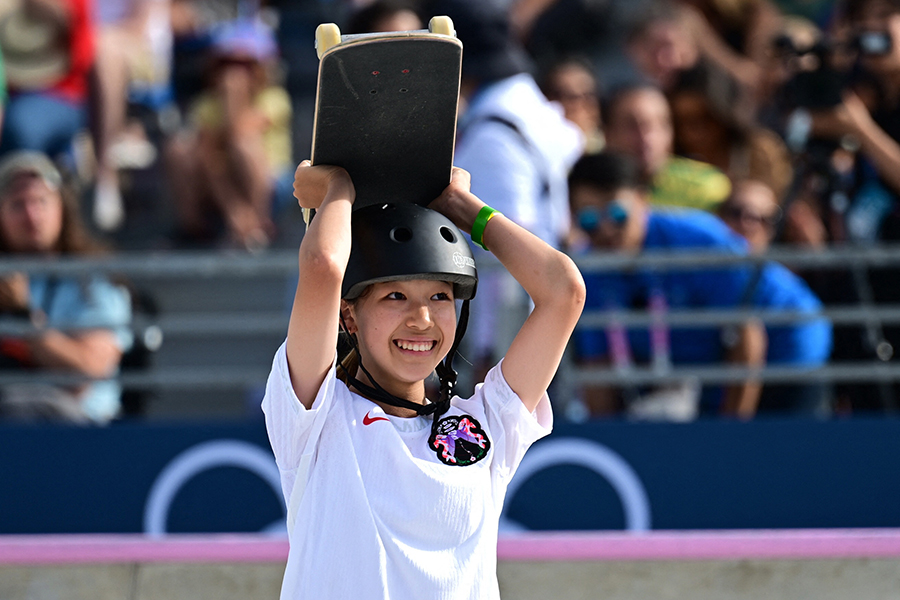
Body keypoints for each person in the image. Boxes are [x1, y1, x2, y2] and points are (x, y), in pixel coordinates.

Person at [261, 161, 585, 598]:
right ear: (349, 316)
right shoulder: (316, 418)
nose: (423, 319)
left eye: (440, 296)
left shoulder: (487, 425)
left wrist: (465, 209)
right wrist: (336, 190)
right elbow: (323, 265)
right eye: (396, 296)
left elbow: (563, 291)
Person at [425, 0, 583, 383]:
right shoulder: (528, 109)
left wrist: (491, 353)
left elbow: (506, 254)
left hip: (516, 339)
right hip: (541, 325)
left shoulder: (493, 134)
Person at [569, 151, 767, 419]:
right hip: (697, 377)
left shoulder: (701, 241)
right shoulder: (585, 269)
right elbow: (597, 369)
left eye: (617, 214)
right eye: (589, 220)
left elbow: (747, 338)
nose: (605, 230)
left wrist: (732, 432)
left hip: (782, 361)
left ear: (642, 199)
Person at [0, 151, 132, 424]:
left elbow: (89, 371)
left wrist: (23, 318)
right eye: (17, 204)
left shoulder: (93, 279)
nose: (31, 215)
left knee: (18, 407)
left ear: (62, 208)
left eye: (41, 201)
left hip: (78, 429)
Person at [165, 17, 292, 250]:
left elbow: (238, 132)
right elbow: (207, 150)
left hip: (270, 183)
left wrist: (232, 99)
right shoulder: (205, 104)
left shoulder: (274, 99)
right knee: (181, 149)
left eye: (243, 65)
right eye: (225, 64)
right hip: (221, 178)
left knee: (244, 145)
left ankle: (258, 223)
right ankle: (197, 226)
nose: (232, 73)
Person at [718, 178, 834, 415]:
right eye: (737, 212)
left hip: (788, 391)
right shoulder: (696, 275)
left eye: (763, 219)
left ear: (774, 229)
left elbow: (750, 345)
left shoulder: (785, 288)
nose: (747, 224)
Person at [603, 82, 733, 211]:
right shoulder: (591, 192)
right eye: (632, 125)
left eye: (660, 124)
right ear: (608, 134)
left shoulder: (708, 187)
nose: (647, 137)